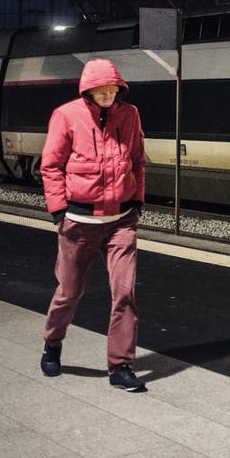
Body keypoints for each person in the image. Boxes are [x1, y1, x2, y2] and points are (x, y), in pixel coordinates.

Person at [39, 58, 148, 392]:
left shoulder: (129, 115)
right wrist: (60, 211)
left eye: (112, 87)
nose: (107, 93)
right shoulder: (66, 115)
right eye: (101, 88)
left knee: (125, 294)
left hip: (121, 222)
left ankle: (120, 366)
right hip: (79, 223)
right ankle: (52, 344)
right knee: (69, 292)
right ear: (88, 89)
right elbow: (51, 166)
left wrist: (138, 202)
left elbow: (138, 160)